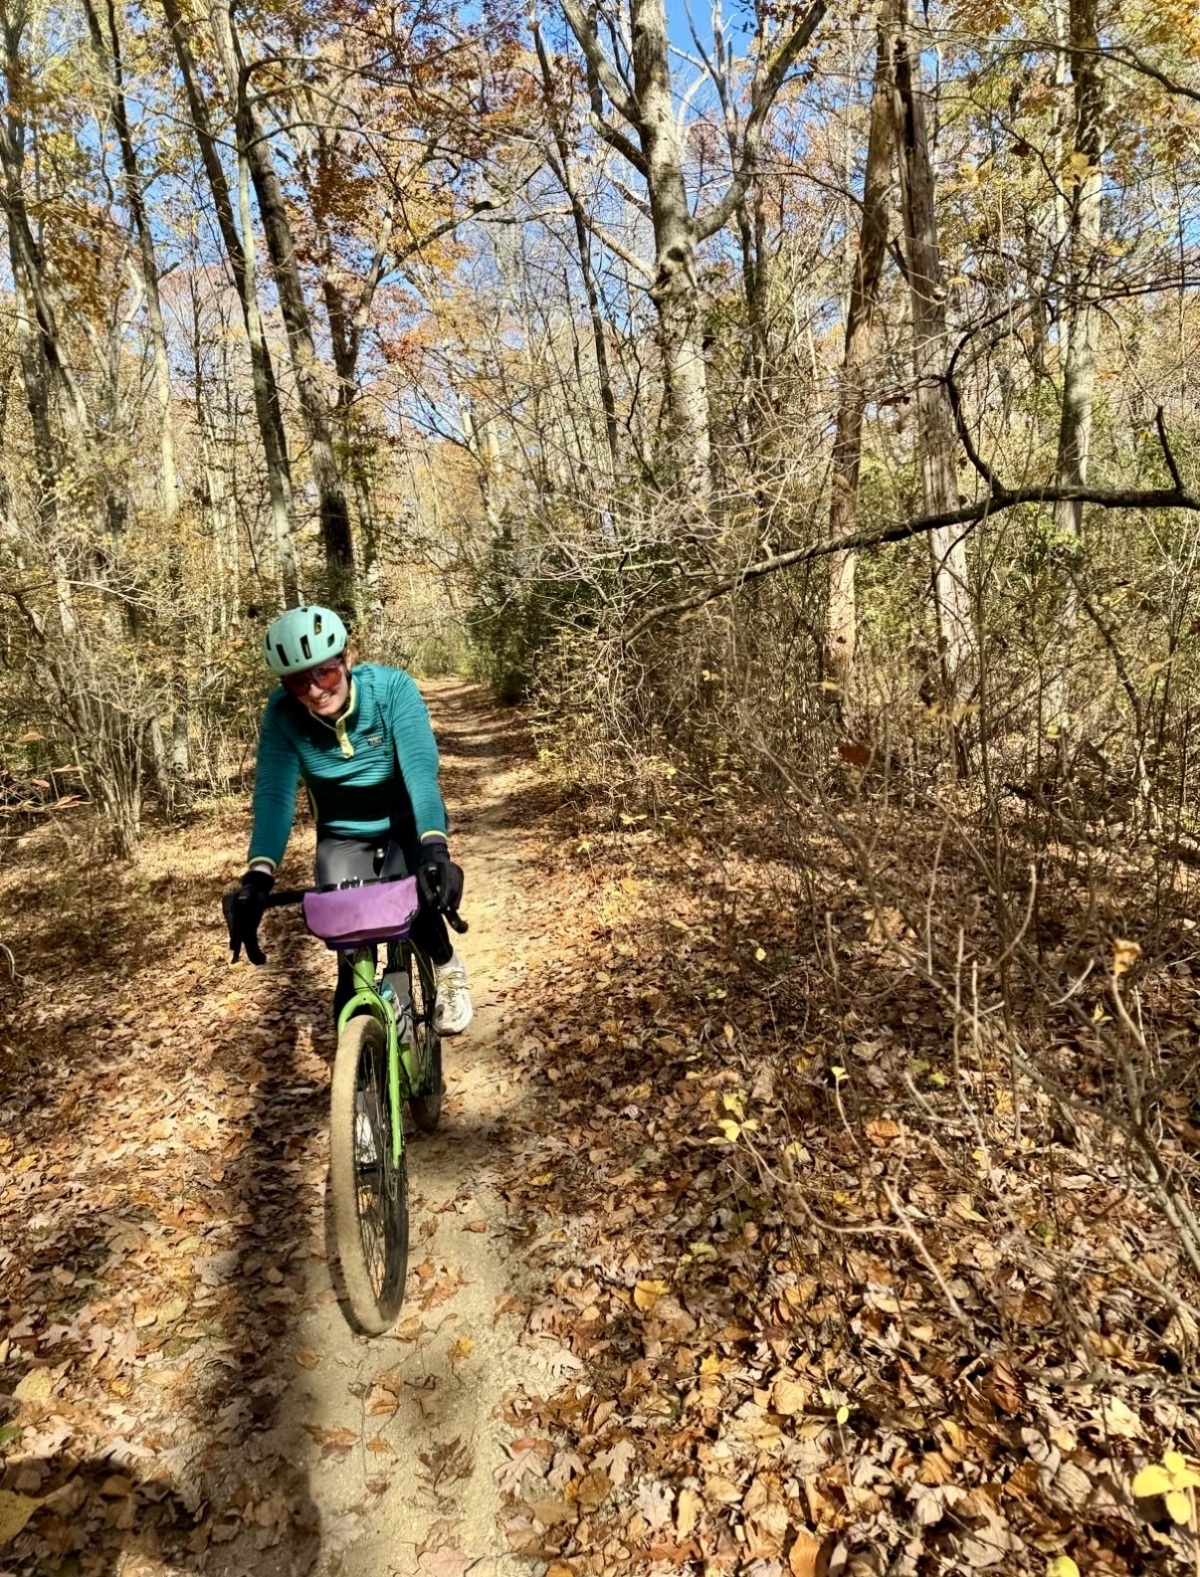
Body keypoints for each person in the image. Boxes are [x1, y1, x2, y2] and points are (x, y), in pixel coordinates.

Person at [223, 605, 473, 1035]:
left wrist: (435, 847)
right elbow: (275, 795)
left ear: (347, 659)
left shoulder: (391, 689)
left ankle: (447, 966)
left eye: (325, 673)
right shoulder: (283, 714)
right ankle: (362, 1076)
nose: (316, 689)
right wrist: (258, 877)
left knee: (424, 900)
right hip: (343, 835)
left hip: (407, 820)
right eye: (298, 680)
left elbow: (419, 769)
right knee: (351, 955)